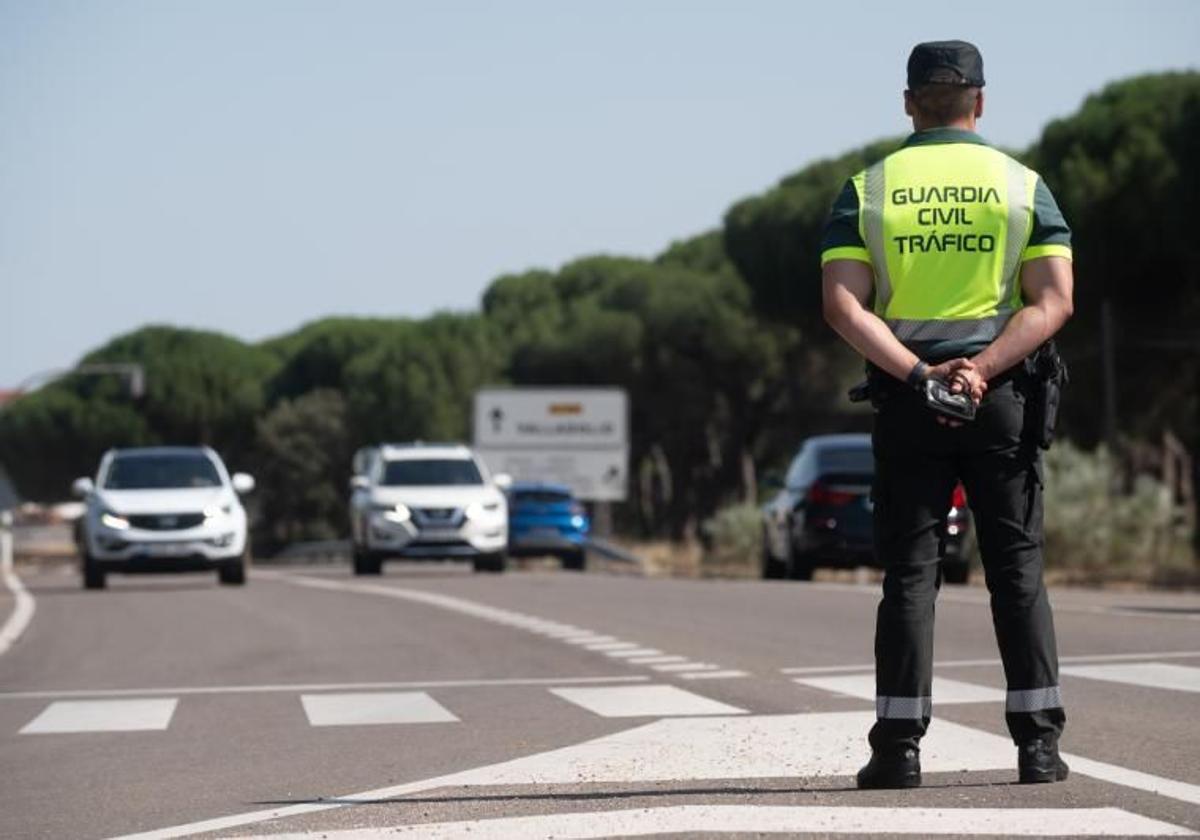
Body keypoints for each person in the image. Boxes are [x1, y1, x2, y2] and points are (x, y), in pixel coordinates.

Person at [820, 40, 1075, 789]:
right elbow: (1053, 301)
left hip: (908, 403)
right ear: (981, 102)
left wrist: (919, 373)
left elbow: (842, 304)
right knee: (1016, 570)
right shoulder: (1023, 185)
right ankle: (1038, 747)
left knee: (909, 577)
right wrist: (981, 369)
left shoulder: (866, 188)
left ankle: (897, 751)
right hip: (1001, 402)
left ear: (908, 103)